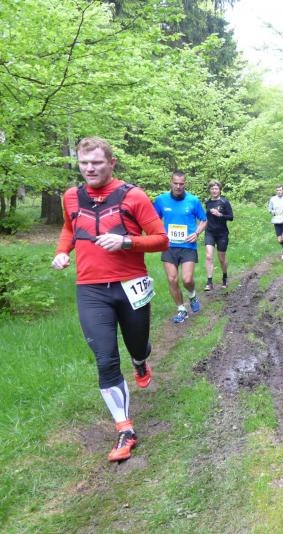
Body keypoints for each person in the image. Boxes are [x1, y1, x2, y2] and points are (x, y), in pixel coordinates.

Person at [51, 137, 168, 462]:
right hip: (90, 289)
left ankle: (140, 360)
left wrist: (127, 242)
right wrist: (62, 252)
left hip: (130, 285)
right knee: (105, 358)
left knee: (137, 345)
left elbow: (161, 239)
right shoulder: (71, 196)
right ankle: (125, 429)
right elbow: (69, 228)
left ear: (112, 163)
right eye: (84, 163)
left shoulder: (133, 196)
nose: (89, 169)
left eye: (97, 163)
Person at [154, 171, 207, 324]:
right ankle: (181, 309)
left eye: (181, 184)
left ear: (185, 183)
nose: (178, 186)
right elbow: (153, 219)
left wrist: (196, 233)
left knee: (187, 279)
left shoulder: (193, 200)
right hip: (169, 246)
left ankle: (192, 295)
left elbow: (204, 220)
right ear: (170, 182)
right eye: (175, 183)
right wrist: (159, 234)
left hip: (188, 245)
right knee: (172, 279)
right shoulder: (161, 200)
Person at [203, 179, 234, 291]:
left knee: (221, 258)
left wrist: (220, 214)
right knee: (208, 256)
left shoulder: (224, 202)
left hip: (222, 234)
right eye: (212, 189)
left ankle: (224, 277)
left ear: (220, 190)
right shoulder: (207, 203)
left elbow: (231, 217)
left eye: (216, 189)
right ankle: (209, 282)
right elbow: (205, 217)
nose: (214, 191)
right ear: (209, 190)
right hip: (209, 232)